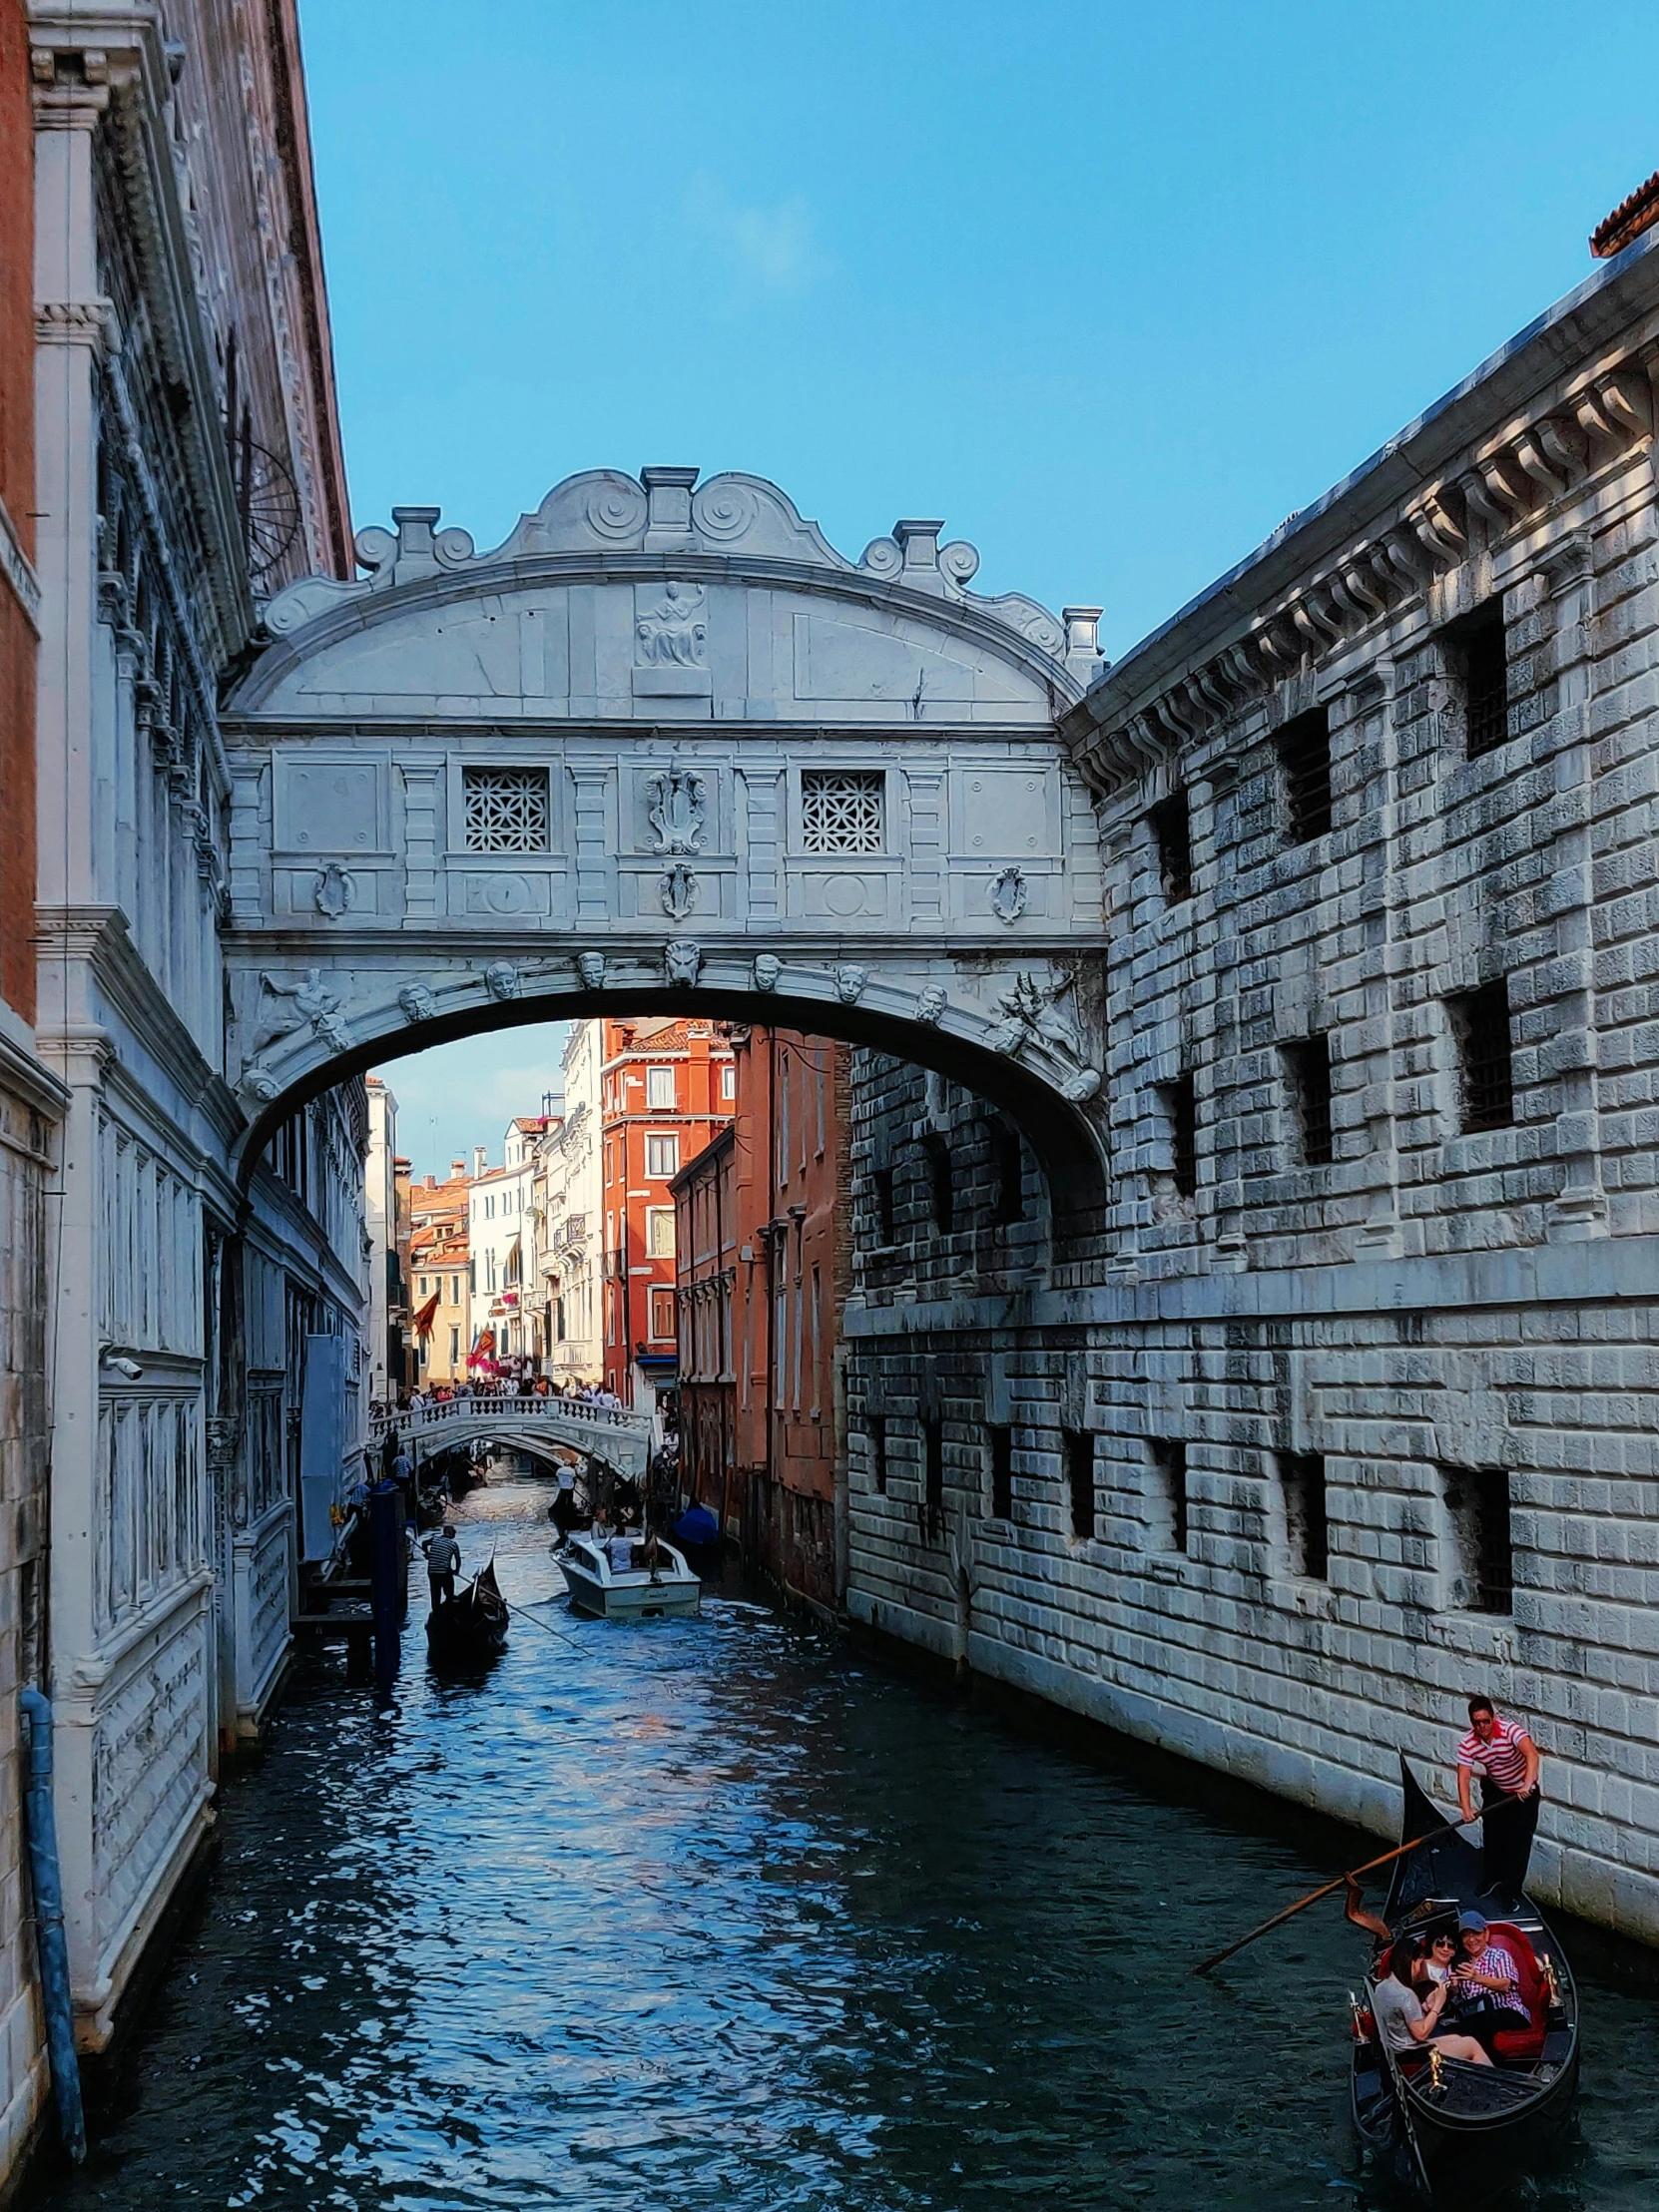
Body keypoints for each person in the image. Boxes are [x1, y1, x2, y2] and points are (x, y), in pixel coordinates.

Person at [1456, 1695, 1542, 1905]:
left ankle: (1511, 1892)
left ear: (1493, 1718)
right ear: (1472, 1722)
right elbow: (1463, 1776)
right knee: (1493, 1835)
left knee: (1518, 1844)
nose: (1483, 1726)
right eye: (1477, 1722)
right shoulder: (1468, 1743)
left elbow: (1532, 1755)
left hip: (1524, 1794)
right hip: (1496, 1789)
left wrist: (1527, 1783)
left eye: (1486, 1721)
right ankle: (1492, 1877)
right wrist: (1466, 1809)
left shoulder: (1510, 1731)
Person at [1371, 1939, 1492, 2068]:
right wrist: (1438, 2004)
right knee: (1472, 2045)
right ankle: (1494, 2083)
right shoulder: (1406, 1995)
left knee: (1458, 2037)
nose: (1419, 1969)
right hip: (1411, 2053)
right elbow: (1421, 2034)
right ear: (1411, 1962)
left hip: (1396, 2048)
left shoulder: (1382, 1986)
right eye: (1419, 1963)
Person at [1445, 1912, 1531, 2055]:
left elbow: (1505, 1985)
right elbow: (1457, 2000)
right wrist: (1453, 1987)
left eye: (1476, 1934)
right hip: (1477, 2017)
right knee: (1462, 2025)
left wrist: (1476, 1977)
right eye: (1466, 1935)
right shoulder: (1459, 1964)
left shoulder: (1500, 1955)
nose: (1471, 1939)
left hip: (1509, 2012)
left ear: (1486, 1934)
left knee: (1481, 2020)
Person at [422, 1522, 460, 1608]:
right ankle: (449, 1606)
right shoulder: (453, 1544)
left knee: (435, 1595)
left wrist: (427, 1554)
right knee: (449, 1592)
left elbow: (424, 1543)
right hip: (444, 1571)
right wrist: (456, 1571)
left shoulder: (435, 1539)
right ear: (451, 1533)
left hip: (432, 1571)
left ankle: (436, 1614)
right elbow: (458, 1559)